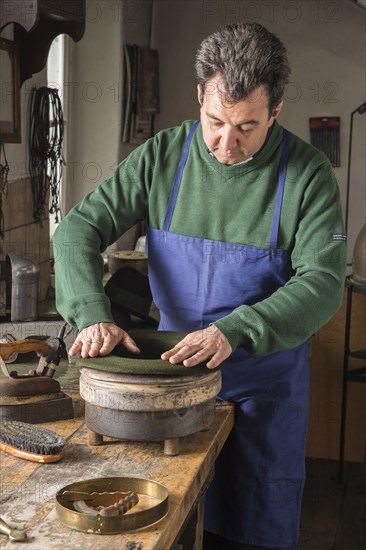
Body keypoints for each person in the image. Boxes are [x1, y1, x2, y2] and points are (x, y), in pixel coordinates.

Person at [54, 22, 346, 549]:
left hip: (264, 392)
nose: (226, 145)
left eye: (247, 127)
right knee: (166, 521)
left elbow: (323, 281)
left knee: (253, 529)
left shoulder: (308, 174)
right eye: (214, 122)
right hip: (170, 387)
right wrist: (91, 311)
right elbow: (78, 229)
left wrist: (236, 329)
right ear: (199, 96)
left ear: (276, 111)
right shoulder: (162, 156)